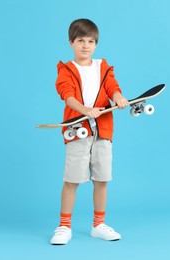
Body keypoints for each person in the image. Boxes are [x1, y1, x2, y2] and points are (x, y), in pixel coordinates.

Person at [50, 18, 128, 245]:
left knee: (102, 179)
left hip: (103, 131)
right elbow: (67, 95)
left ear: (96, 44)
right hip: (78, 130)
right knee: (72, 179)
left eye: (91, 41)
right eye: (80, 40)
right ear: (71, 43)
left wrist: (118, 97)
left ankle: (98, 225)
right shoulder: (66, 70)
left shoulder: (102, 66)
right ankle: (64, 227)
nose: (86, 45)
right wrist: (86, 110)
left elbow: (111, 86)